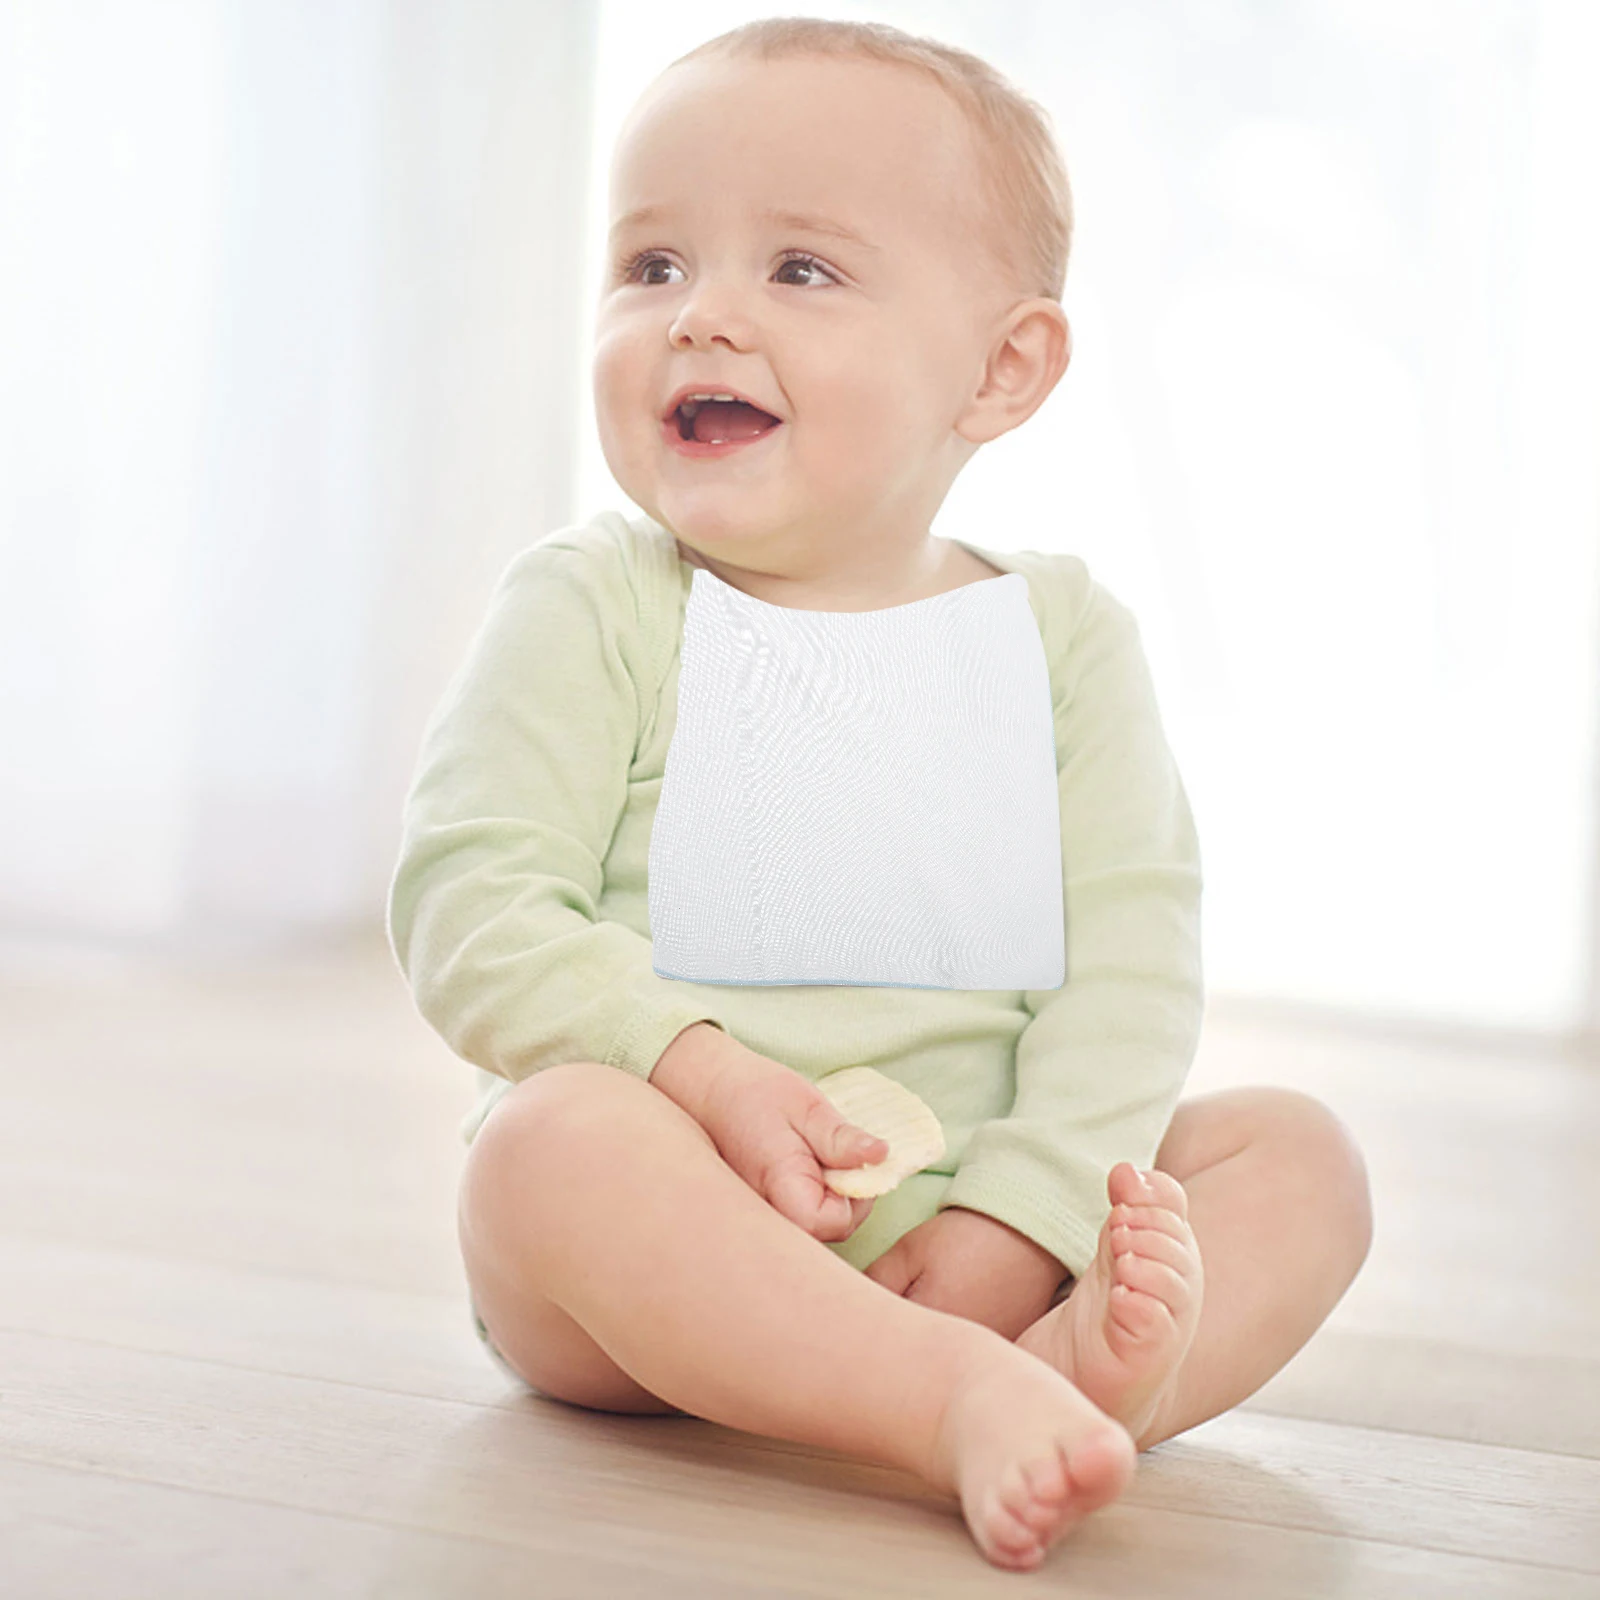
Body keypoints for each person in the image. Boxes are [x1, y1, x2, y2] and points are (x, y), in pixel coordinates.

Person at [387, 18, 1373, 1573]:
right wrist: (701, 1076)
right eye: (651, 266)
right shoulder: (594, 605)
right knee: (547, 1144)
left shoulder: (1061, 643)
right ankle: (952, 1403)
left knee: (1297, 1160)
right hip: (658, 1260)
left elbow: (1130, 964)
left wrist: (1020, 1226)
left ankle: (1045, 1387)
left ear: (1001, 369)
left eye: (800, 271)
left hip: (977, 1224)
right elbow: (470, 905)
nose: (701, 317)